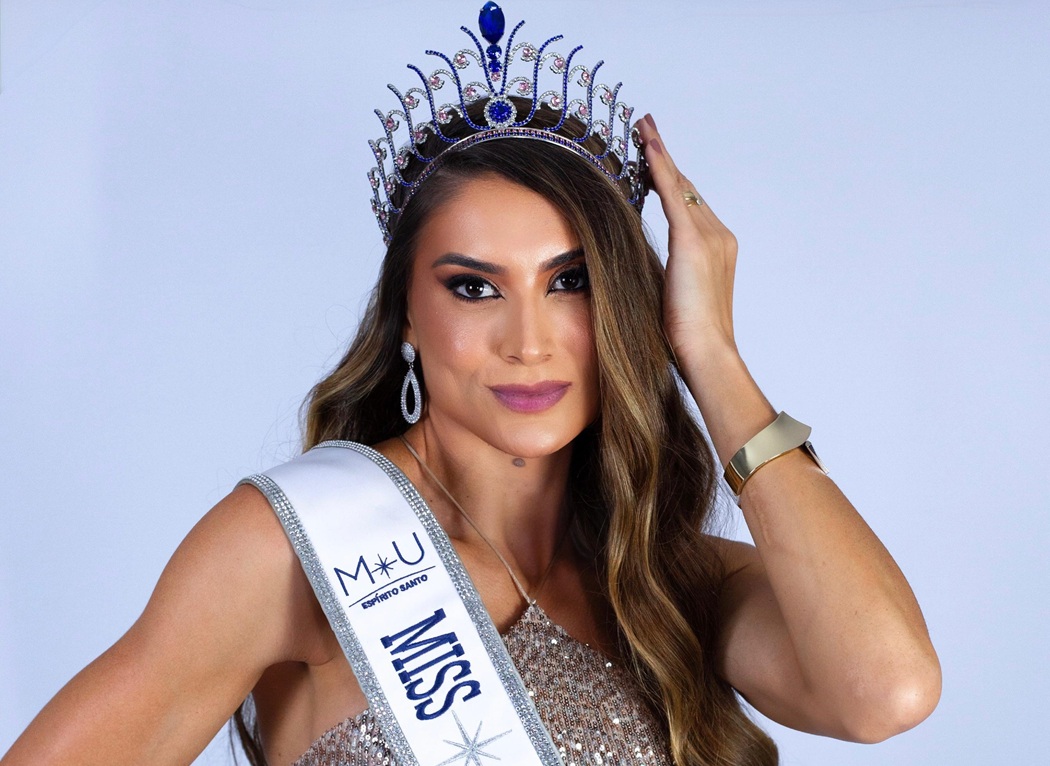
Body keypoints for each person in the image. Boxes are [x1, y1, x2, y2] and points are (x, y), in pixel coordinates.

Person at [0, 5, 940, 766]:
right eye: (474, 287)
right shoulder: (293, 553)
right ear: (408, 314)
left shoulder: (668, 583)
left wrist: (709, 355)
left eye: (570, 282)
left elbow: (887, 691)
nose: (529, 342)